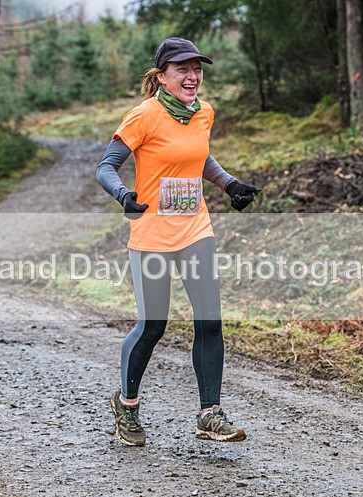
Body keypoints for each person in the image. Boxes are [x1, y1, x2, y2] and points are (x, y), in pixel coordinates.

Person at [97, 37, 260, 446]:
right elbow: (106, 167)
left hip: (195, 230)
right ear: (161, 76)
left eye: (197, 69)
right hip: (152, 233)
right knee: (153, 325)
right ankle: (127, 405)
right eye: (182, 69)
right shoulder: (143, 116)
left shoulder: (203, 112)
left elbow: (198, 156)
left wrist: (229, 184)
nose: (192, 77)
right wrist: (123, 194)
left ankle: (210, 414)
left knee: (209, 321)